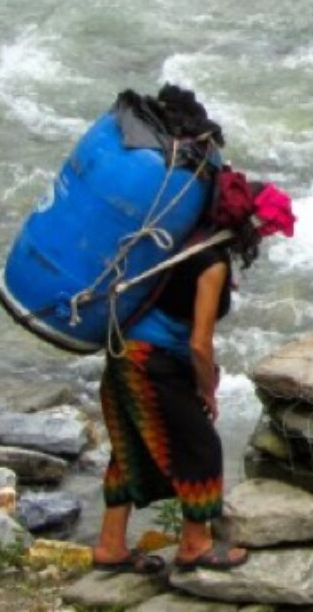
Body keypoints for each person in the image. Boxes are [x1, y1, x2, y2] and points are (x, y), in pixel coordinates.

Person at [91, 167, 289, 575]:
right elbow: (199, 342)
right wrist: (208, 391)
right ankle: (195, 544)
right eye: (263, 233)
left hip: (122, 351)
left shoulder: (182, 237)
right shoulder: (212, 262)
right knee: (201, 447)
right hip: (153, 362)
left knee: (130, 444)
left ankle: (110, 545)